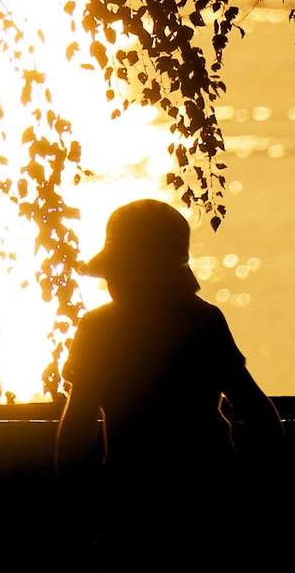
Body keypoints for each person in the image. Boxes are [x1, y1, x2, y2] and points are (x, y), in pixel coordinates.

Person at [56, 197, 282, 476]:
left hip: (132, 480)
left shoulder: (98, 327)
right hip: (211, 478)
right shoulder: (205, 321)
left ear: (127, 273)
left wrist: (68, 490)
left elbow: (78, 423)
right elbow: (254, 408)